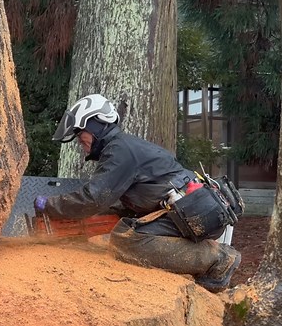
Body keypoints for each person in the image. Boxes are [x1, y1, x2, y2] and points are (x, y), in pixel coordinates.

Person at [33, 93, 241, 293]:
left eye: (81, 135)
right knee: (121, 220)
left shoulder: (119, 151)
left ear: (95, 126)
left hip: (189, 209)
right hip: (183, 206)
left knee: (127, 241)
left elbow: (94, 198)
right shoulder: (122, 146)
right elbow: (117, 201)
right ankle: (211, 257)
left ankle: (218, 258)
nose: (80, 142)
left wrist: (50, 205)